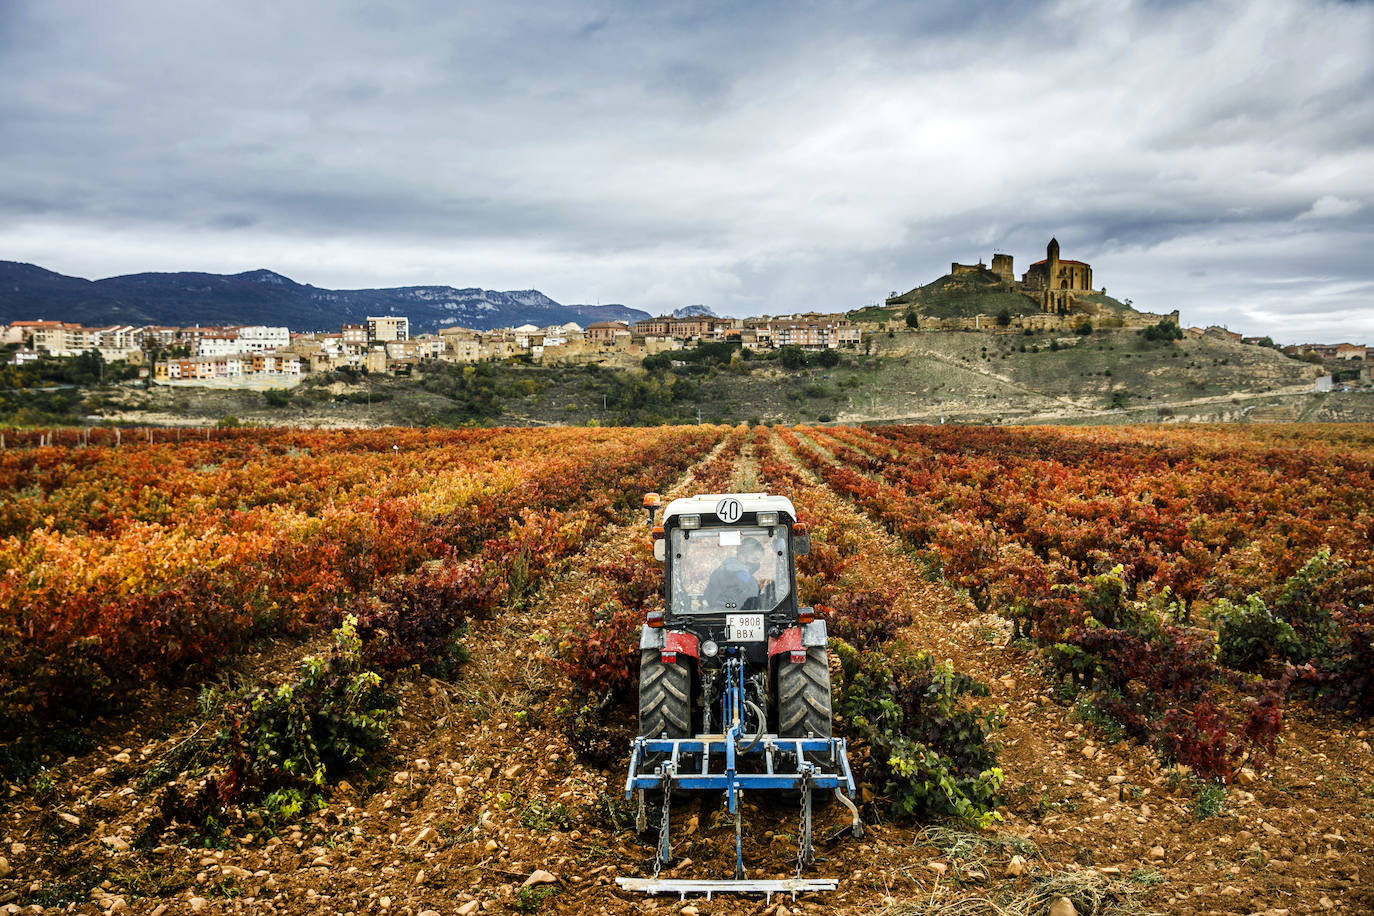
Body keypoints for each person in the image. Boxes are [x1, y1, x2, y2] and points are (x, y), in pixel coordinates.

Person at [704, 536, 771, 609]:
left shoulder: (719, 571)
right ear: (741, 557)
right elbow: (752, 604)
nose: (757, 563)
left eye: (759, 560)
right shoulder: (747, 580)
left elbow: (708, 595)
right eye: (755, 559)